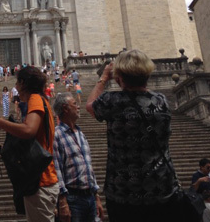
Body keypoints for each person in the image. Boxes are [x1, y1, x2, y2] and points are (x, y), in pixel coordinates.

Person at [86, 49, 186, 222]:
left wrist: (103, 78)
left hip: (123, 192)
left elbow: (90, 106)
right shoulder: (161, 101)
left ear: (119, 78)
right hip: (161, 187)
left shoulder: (112, 101)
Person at [0, 66, 59, 222]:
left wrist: (2, 123)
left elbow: (29, 130)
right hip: (40, 179)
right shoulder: (40, 101)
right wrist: (3, 149)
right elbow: (32, 145)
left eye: (17, 82)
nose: (15, 87)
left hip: (40, 180)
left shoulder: (35, 98)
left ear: (23, 83)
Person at [53, 93, 104, 222]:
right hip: (72, 198)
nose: (78, 107)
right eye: (75, 104)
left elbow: (89, 168)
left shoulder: (81, 134)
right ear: (65, 108)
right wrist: (62, 201)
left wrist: (96, 196)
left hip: (90, 197)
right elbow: (56, 169)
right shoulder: (56, 135)